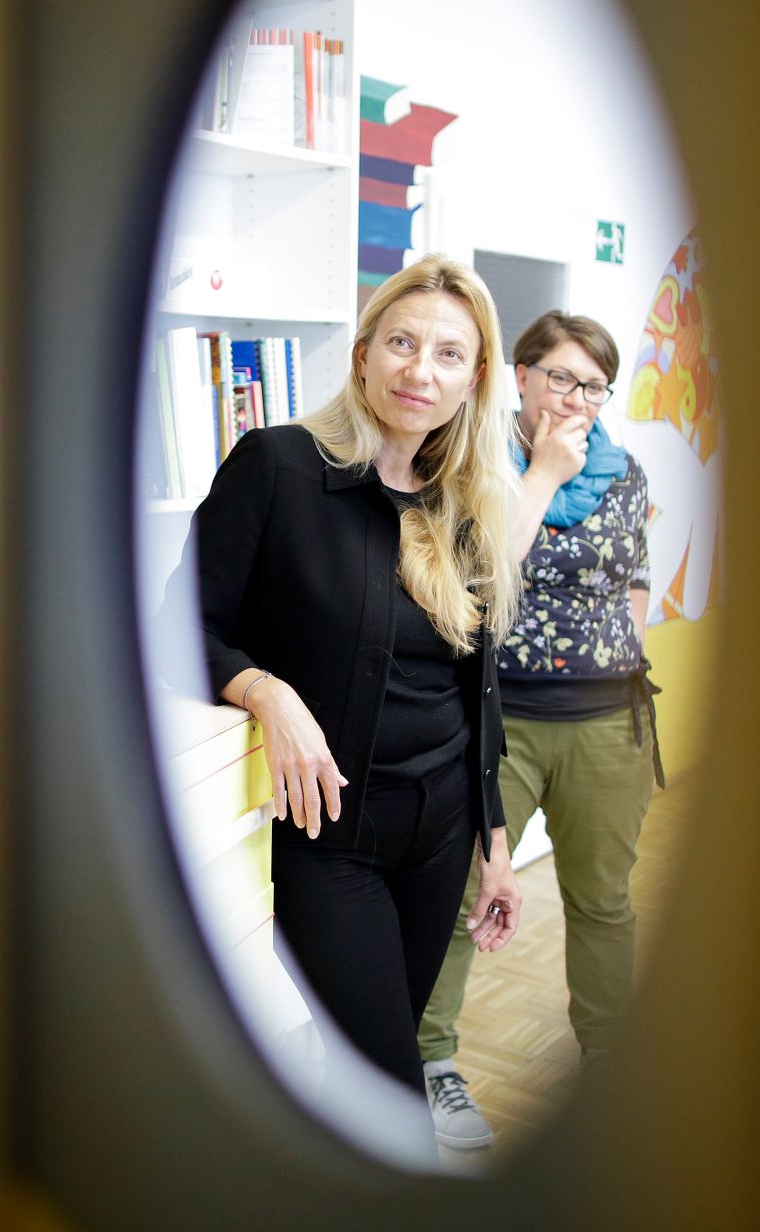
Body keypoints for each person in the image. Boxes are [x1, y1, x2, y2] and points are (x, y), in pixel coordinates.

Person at [168, 255, 524, 1102]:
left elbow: (477, 690)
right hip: (329, 841)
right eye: (402, 342)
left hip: (440, 837)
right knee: (391, 1089)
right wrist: (266, 690)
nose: (419, 370)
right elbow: (177, 630)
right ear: (363, 353)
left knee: (372, 1075)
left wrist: (495, 846)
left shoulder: (468, 501)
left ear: (474, 379)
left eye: (447, 353)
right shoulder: (277, 466)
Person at [417, 309, 662, 1149]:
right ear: (519, 375)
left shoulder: (624, 472)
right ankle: (434, 1062)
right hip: (501, 720)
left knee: (604, 901)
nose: (577, 399)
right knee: (463, 894)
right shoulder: (473, 463)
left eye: (594, 386)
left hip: (609, 723)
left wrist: (622, 654)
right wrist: (547, 476)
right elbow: (479, 577)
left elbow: (634, 576)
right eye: (561, 377)